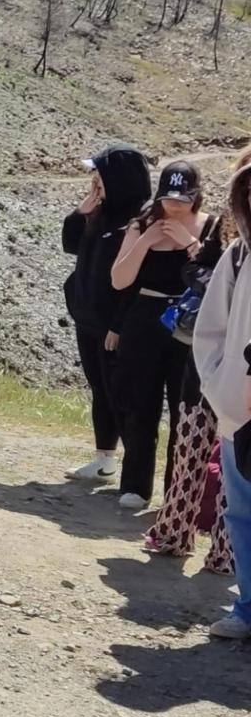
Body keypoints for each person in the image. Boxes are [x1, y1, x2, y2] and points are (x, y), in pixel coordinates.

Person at [144, 166, 240, 568]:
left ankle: (226, 551)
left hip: (237, 360)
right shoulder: (224, 229)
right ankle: (175, 531)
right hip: (208, 352)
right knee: (192, 444)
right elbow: (195, 273)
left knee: (235, 463)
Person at [109, 161, 212, 511]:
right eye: (169, 198)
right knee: (140, 403)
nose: (175, 205)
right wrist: (146, 242)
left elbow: (218, 274)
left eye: (183, 199)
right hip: (146, 317)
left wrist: (190, 243)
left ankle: (177, 491)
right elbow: (119, 280)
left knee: (185, 407)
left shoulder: (210, 227)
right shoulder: (142, 224)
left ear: (196, 196)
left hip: (189, 322)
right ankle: (135, 485)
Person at [61, 145, 151, 484]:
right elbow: (70, 244)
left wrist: (118, 324)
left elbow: (137, 281)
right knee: (100, 388)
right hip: (88, 317)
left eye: (99, 173)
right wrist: (82, 210)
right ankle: (104, 459)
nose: (93, 179)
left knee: (122, 394)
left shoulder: (140, 218)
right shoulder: (101, 211)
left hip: (115, 324)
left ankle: (136, 473)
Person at [192, 153, 251, 637]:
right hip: (239, 415)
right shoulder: (238, 256)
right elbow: (210, 331)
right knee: (242, 511)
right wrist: (222, 387)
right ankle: (248, 607)